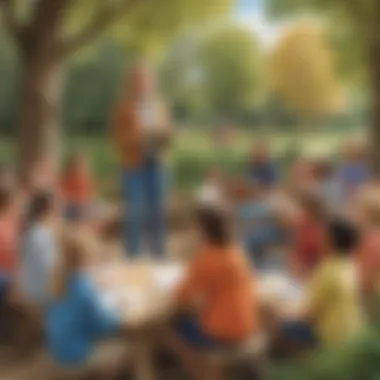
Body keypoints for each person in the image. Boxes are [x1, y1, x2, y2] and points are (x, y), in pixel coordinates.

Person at [167, 206, 258, 380]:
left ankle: (202, 373)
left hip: (222, 332)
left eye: (194, 227)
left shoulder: (208, 258)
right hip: (247, 324)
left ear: (203, 231)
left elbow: (180, 295)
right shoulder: (236, 252)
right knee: (191, 314)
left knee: (171, 328)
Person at [45, 231, 125, 378]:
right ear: (84, 259)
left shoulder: (60, 280)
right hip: (77, 355)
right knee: (125, 350)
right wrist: (118, 309)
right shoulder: (83, 287)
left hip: (58, 351)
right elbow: (106, 326)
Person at [112, 62, 171, 259]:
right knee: (134, 212)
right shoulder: (123, 107)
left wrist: (164, 135)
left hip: (158, 163)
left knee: (158, 212)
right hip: (134, 165)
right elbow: (116, 138)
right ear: (132, 83)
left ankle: (159, 256)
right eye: (138, 80)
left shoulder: (160, 105)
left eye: (146, 80)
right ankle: (132, 257)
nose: (143, 84)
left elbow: (167, 132)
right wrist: (136, 136)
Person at [279, 217, 363, 352]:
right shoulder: (351, 265)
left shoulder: (328, 270)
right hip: (352, 331)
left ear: (330, 240)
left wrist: (281, 312)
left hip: (330, 337)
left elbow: (307, 314)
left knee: (280, 326)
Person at [19, 191, 58, 307]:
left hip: (33, 294)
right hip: (41, 299)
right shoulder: (40, 236)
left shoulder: (31, 232)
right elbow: (51, 269)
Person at [289, 191, 327, 282]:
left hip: (310, 278)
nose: (296, 213)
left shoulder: (320, 233)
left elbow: (321, 263)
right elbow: (294, 254)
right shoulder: (301, 228)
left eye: (300, 209)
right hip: (296, 275)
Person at [61, 152, 95, 222]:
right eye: (76, 166)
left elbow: (89, 196)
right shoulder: (66, 178)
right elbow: (62, 195)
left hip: (82, 207)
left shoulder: (86, 179)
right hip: (69, 207)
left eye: (82, 166)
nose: (79, 168)